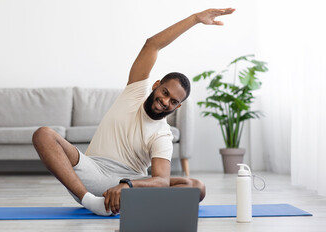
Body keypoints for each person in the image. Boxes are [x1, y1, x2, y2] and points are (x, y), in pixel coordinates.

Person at [32, 7, 235, 216]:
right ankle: (92, 202)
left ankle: (124, 201)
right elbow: (152, 45)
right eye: (164, 92)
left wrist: (128, 185)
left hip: (130, 185)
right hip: (92, 174)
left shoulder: (162, 134)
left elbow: (162, 180)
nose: (165, 101)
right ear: (156, 85)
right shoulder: (135, 92)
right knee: (44, 134)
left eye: (173, 101)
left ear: (177, 107)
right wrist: (194, 19)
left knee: (196, 186)